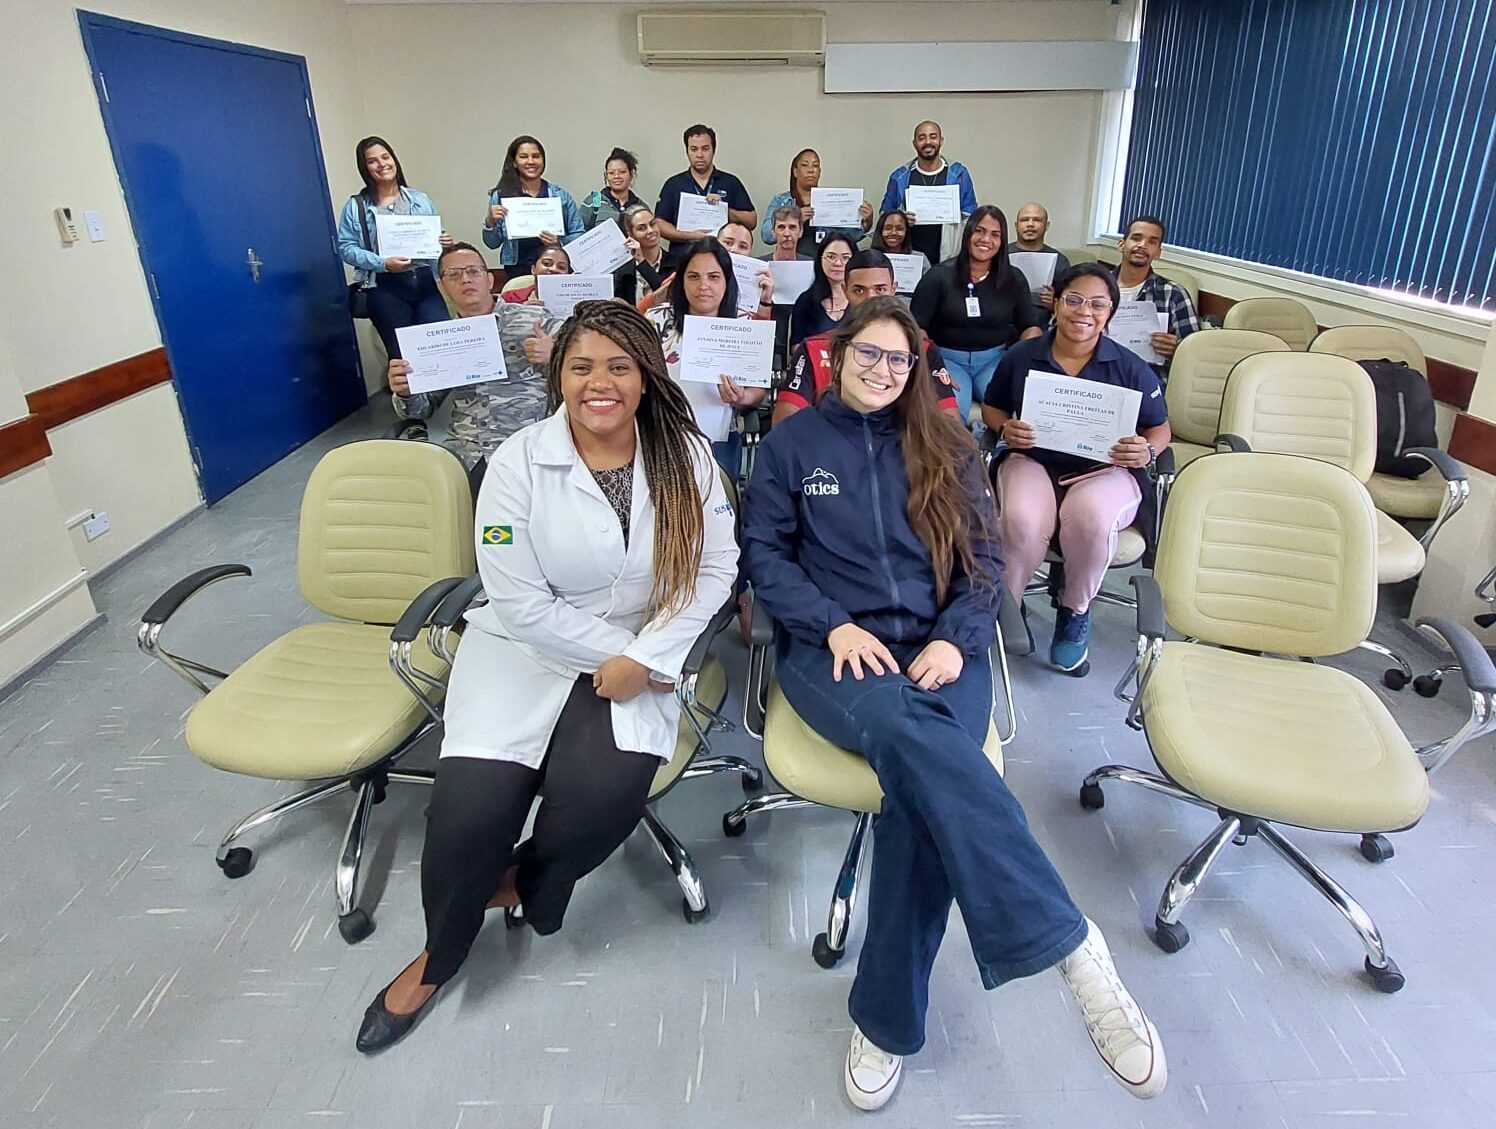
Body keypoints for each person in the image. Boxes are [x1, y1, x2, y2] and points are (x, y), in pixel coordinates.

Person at [741, 297, 1167, 1111]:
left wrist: (954, 637)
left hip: (942, 648)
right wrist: (830, 625)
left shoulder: (949, 444)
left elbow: (983, 557)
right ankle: (1072, 943)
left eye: (899, 361)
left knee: (920, 791)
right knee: (919, 744)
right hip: (836, 652)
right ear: (836, 355)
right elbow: (765, 554)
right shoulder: (794, 445)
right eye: (868, 354)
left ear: (917, 370)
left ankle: (885, 1019)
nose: (882, 371)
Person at [356, 301, 738, 1054]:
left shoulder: (686, 455)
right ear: (556, 375)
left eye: (620, 366)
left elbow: (717, 566)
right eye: (582, 365)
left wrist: (653, 653)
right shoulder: (516, 461)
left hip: (642, 647)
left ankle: (529, 881)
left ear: (647, 375)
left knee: (599, 801)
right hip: (524, 650)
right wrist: (622, 657)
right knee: (466, 817)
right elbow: (518, 602)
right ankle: (441, 953)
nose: (602, 383)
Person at [980, 263, 1171, 673]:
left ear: (1110, 314)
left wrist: (1147, 452)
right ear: (1057, 303)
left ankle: (1075, 614)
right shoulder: (1023, 356)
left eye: (1098, 304)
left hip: (1104, 470)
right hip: (1033, 461)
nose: (1085, 311)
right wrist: (1004, 427)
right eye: (1075, 300)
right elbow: (994, 406)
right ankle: (1007, 610)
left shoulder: (1130, 367)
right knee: (1022, 520)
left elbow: (1160, 428)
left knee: (1090, 517)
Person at [387, 243, 561, 468]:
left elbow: (588, 363)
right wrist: (405, 391)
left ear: (489, 280)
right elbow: (422, 409)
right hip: (469, 452)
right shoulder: (438, 340)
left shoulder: (535, 318)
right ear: (442, 288)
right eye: (454, 275)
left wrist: (556, 354)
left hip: (530, 448)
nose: (465, 279)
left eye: (473, 271)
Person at [774, 250, 958, 426]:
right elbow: (785, 426)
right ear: (845, 291)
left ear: (894, 289)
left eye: (880, 289)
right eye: (859, 291)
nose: (871, 300)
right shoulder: (814, 349)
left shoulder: (923, 351)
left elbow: (950, 426)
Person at [644, 238, 773, 475]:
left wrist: (742, 397)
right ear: (681, 282)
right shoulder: (656, 320)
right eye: (693, 277)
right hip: (662, 436)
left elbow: (759, 392)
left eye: (713, 277)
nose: (703, 285)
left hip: (717, 441)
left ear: (727, 281)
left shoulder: (745, 323)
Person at [910, 206, 1043, 421]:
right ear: (968, 234)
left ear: (1002, 241)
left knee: (1018, 410)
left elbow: (1029, 326)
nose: (985, 239)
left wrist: (1029, 362)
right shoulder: (939, 276)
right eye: (979, 231)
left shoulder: (1014, 278)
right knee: (950, 418)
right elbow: (916, 327)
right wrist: (931, 366)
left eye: (995, 234)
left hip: (995, 361)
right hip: (948, 360)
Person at [337, 136, 451, 359]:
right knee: (402, 356)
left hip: (425, 281)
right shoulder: (356, 206)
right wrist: (382, 263)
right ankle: (408, 396)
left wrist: (443, 243)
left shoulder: (419, 199)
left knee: (441, 346)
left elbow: (437, 236)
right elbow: (346, 247)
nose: (382, 164)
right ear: (365, 168)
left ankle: (434, 395)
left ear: (394, 159)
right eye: (372, 161)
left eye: (385, 157)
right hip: (385, 286)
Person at [481, 135, 586, 278]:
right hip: (516, 270)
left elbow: (578, 234)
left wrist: (558, 243)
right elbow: (491, 244)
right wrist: (490, 222)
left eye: (536, 156)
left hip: (554, 270)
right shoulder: (501, 196)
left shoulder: (560, 196)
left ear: (543, 161)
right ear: (514, 163)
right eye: (524, 157)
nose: (530, 161)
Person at [878, 121, 978, 269]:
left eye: (933, 137)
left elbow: (971, 217)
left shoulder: (959, 174)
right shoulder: (899, 176)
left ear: (941, 141)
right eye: (922, 137)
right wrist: (900, 219)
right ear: (914, 143)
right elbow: (884, 217)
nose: (928, 142)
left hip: (949, 256)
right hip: (910, 257)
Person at [1112, 215, 1202, 373]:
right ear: (1121, 244)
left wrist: (1177, 349)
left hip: (1148, 378)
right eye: (1136, 238)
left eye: (1152, 241)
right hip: (1097, 374)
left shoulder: (1174, 294)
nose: (1142, 245)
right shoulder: (1095, 287)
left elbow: (1196, 355)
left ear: (1158, 252)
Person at [654, 124, 756, 253]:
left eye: (705, 148)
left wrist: (723, 210)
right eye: (694, 149)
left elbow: (751, 221)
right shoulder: (673, 184)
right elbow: (659, 223)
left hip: (721, 259)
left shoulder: (730, 182)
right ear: (687, 151)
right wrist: (691, 236)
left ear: (714, 150)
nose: (700, 154)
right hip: (682, 257)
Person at [759, 148, 873, 257]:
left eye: (815, 165)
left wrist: (866, 222)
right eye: (805, 165)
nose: (811, 170)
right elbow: (767, 236)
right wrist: (796, 219)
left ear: (819, 172)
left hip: (826, 261)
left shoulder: (831, 200)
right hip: (792, 259)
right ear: (795, 171)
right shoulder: (781, 201)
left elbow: (850, 236)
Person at [789, 234, 857, 348]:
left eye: (845, 258)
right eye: (831, 256)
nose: (838, 263)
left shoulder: (862, 300)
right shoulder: (805, 301)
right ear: (820, 259)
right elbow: (795, 347)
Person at [1011, 202, 1071, 311]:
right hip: (1003, 322)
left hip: (1043, 323)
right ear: (1016, 225)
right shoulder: (999, 254)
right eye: (1024, 220)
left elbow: (1070, 305)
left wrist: (1055, 304)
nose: (1030, 224)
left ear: (1047, 225)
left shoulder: (1060, 261)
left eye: (1037, 220)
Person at [613, 204, 670, 306]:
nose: (650, 231)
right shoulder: (623, 270)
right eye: (641, 228)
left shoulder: (676, 262)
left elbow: (667, 295)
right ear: (630, 234)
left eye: (653, 224)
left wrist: (642, 263)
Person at [580, 147, 645, 230]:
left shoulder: (639, 205)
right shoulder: (595, 200)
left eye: (622, 172)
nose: (616, 176)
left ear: (631, 174)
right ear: (606, 176)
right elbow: (580, 232)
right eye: (611, 173)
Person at [500, 244, 571, 304]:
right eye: (547, 263)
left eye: (561, 267)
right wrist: (522, 312)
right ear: (533, 269)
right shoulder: (510, 297)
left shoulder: (577, 302)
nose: (554, 269)